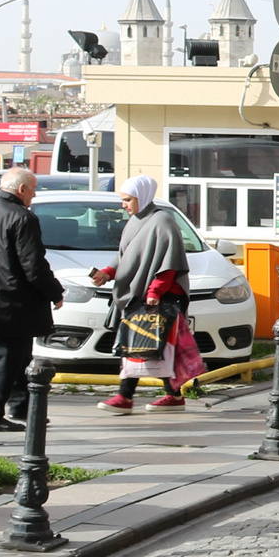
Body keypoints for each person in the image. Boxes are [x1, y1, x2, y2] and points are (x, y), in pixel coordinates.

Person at [0, 167, 65, 431]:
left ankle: (21, 406)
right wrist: (55, 292)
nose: (34, 195)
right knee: (7, 357)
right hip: (14, 302)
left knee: (18, 355)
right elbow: (33, 265)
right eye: (33, 189)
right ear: (21, 189)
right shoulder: (22, 217)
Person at [102, 176, 195, 412]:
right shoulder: (135, 221)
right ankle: (162, 395)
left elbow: (170, 261)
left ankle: (129, 397)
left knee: (152, 345)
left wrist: (155, 291)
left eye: (127, 199)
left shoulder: (162, 221)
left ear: (142, 197)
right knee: (144, 345)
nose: (123, 205)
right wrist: (107, 273)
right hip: (141, 295)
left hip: (161, 297)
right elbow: (127, 257)